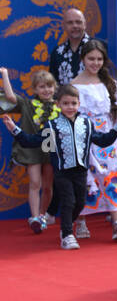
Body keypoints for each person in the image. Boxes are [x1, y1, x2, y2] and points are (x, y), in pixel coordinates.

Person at [3, 86, 117, 250]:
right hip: (62, 172)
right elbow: (32, 141)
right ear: (58, 104)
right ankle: (67, 235)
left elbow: (102, 140)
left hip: (81, 171)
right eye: (65, 103)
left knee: (80, 203)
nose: (70, 107)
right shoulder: (52, 126)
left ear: (79, 103)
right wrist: (14, 129)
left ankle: (66, 226)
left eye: (73, 103)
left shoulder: (86, 123)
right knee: (68, 202)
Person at [70, 39, 117, 241]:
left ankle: (116, 222)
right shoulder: (73, 85)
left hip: (109, 137)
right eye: (91, 58)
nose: (95, 63)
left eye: (99, 59)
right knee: (84, 179)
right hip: (85, 138)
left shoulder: (110, 84)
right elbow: (70, 114)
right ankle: (80, 221)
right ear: (83, 59)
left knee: (115, 172)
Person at [1, 67, 57, 232]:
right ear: (35, 89)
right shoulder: (27, 104)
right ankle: (34, 218)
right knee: (34, 183)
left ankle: (42, 215)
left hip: (51, 150)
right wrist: (4, 74)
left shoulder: (60, 106)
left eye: (49, 86)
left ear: (54, 88)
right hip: (31, 150)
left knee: (47, 186)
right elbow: (10, 97)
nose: (46, 90)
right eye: (41, 86)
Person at [49, 8, 90, 86]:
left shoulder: (100, 47)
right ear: (64, 26)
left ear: (85, 24)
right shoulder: (57, 53)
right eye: (70, 23)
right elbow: (53, 85)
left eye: (78, 22)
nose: (75, 26)